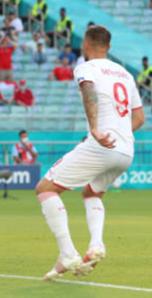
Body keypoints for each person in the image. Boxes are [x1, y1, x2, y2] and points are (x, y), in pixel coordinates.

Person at [36, 26, 145, 279]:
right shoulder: (126, 74)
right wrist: (119, 134)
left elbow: (88, 90)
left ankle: (67, 253)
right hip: (125, 150)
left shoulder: (86, 68)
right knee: (92, 192)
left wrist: (95, 129)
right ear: (109, 46)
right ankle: (96, 244)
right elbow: (139, 117)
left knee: (45, 189)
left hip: (102, 145)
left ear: (86, 44)